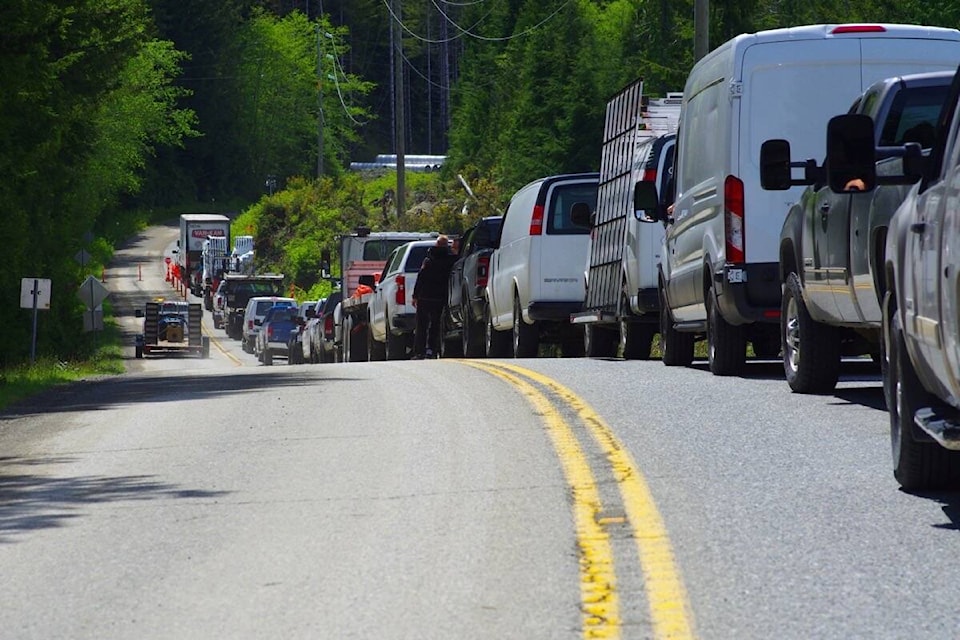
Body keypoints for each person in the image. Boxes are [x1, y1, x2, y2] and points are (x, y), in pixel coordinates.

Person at [411, 235, 457, 359]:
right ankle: (431, 350)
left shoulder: (429, 259)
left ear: (436, 245)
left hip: (425, 296)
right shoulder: (451, 260)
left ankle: (419, 352)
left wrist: (415, 295)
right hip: (440, 297)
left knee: (422, 325)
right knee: (435, 325)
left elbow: (421, 278)